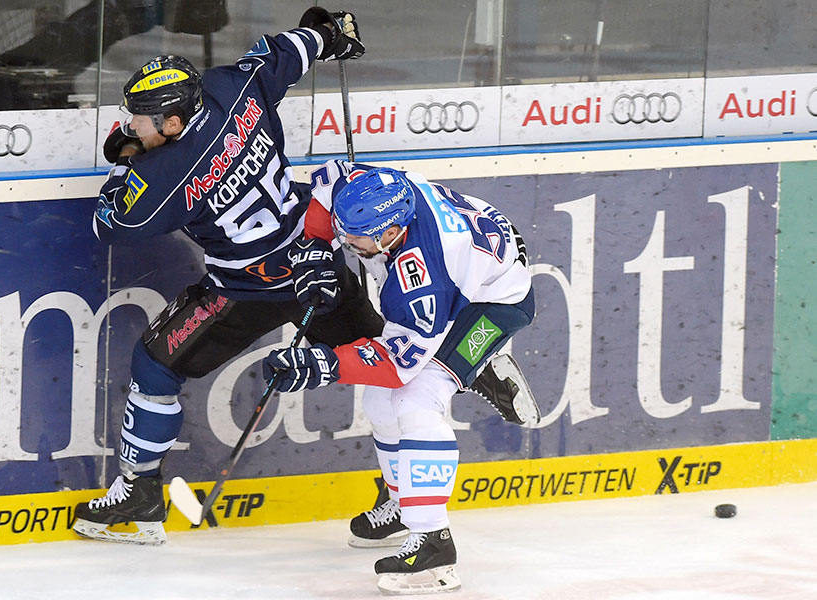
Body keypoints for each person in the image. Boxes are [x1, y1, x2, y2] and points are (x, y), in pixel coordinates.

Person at [72, 9, 379, 546]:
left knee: (155, 364)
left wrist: (124, 161)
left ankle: (141, 495)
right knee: (389, 364)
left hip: (246, 291)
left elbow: (110, 223)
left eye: (140, 121)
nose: (131, 127)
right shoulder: (228, 89)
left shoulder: (163, 175)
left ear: (171, 123)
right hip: (317, 261)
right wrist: (328, 35)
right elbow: (284, 53)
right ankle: (408, 494)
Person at [261, 160, 540, 595]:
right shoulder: (374, 189)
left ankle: (434, 547)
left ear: (391, 233)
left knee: (416, 399)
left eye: (355, 239)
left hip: (491, 303)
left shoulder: (420, 280)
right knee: (377, 401)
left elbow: (397, 364)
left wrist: (323, 363)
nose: (346, 242)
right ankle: (402, 502)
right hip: (470, 263)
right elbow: (331, 179)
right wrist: (315, 245)